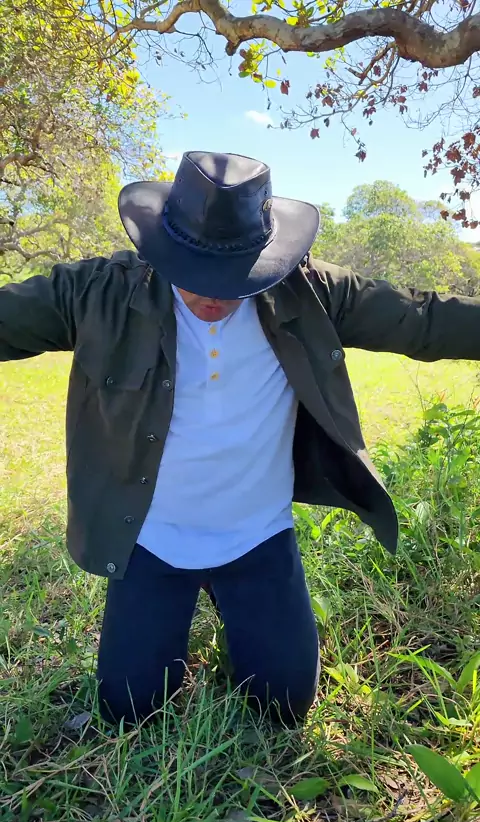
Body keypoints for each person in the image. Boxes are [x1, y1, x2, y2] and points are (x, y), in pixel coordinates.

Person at [1, 151, 480, 726]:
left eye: (233, 273)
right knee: (129, 708)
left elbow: (421, 319)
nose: (213, 292)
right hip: (151, 538)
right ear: (162, 246)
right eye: (194, 268)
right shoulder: (97, 292)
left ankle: (247, 623)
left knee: (285, 704)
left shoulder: (312, 290)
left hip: (258, 536)